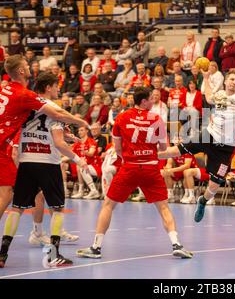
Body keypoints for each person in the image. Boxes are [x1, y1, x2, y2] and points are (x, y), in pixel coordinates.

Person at [0, 55, 88, 266]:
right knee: (9, 195)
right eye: (27, 66)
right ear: (20, 71)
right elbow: (56, 113)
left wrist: (65, 130)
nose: (30, 67)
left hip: (3, 147)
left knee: (2, 196)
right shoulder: (25, 95)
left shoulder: (7, 87)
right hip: (10, 149)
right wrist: (79, 121)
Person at [77, 87, 193, 259]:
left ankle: (96, 248)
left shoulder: (122, 117)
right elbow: (162, 148)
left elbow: (117, 148)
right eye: (151, 98)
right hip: (151, 168)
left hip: (130, 167)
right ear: (143, 101)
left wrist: (131, 156)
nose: (154, 101)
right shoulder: (156, 119)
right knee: (163, 207)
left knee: (108, 205)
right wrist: (148, 151)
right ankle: (176, 244)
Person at [158, 71, 235, 222]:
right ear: (226, 82)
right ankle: (145, 155)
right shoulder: (220, 94)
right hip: (208, 136)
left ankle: (202, 201)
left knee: (214, 186)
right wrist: (206, 78)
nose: (234, 82)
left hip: (225, 149)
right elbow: (208, 96)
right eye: (231, 79)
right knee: (177, 150)